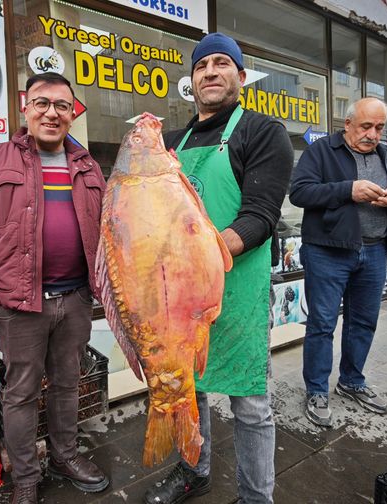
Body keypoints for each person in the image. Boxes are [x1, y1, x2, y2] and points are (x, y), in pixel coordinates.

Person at [145, 33, 293, 504]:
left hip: (238, 290)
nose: (211, 71)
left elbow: (260, 216)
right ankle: (195, 470)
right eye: (202, 65)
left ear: (241, 76)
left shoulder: (262, 131)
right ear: (192, 80)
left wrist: (203, 253)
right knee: (189, 388)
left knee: (249, 402)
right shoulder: (171, 143)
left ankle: (255, 496)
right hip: (179, 297)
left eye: (222, 63)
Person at [0, 72, 109, 504]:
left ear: (72, 114)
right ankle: (25, 476)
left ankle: (65, 456)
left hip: (76, 298)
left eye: (61, 105)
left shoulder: (88, 166)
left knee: (67, 384)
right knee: (20, 391)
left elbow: (110, 232)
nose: (51, 113)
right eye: (42, 103)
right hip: (19, 303)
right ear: (25, 106)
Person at [289, 97, 387, 428]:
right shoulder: (322, 152)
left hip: (374, 252)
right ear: (347, 124)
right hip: (328, 251)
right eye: (366, 126)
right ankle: (317, 390)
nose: (373, 134)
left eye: (379, 127)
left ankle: (352, 381)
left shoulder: (386, 155)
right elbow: (299, 193)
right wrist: (349, 190)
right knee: (322, 325)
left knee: (363, 323)